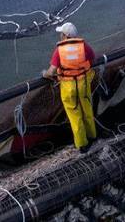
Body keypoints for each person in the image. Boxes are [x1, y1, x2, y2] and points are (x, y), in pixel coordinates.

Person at [42, 22, 98, 152]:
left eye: (61, 33)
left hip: (68, 87)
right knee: (87, 110)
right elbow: (92, 59)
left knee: (75, 115)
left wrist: (44, 74)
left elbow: (51, 72)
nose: (60, 35)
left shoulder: (59, 50)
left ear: (65, 36)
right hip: (83, 84)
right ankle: (92, 136)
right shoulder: (83, 46)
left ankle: (82, 144)